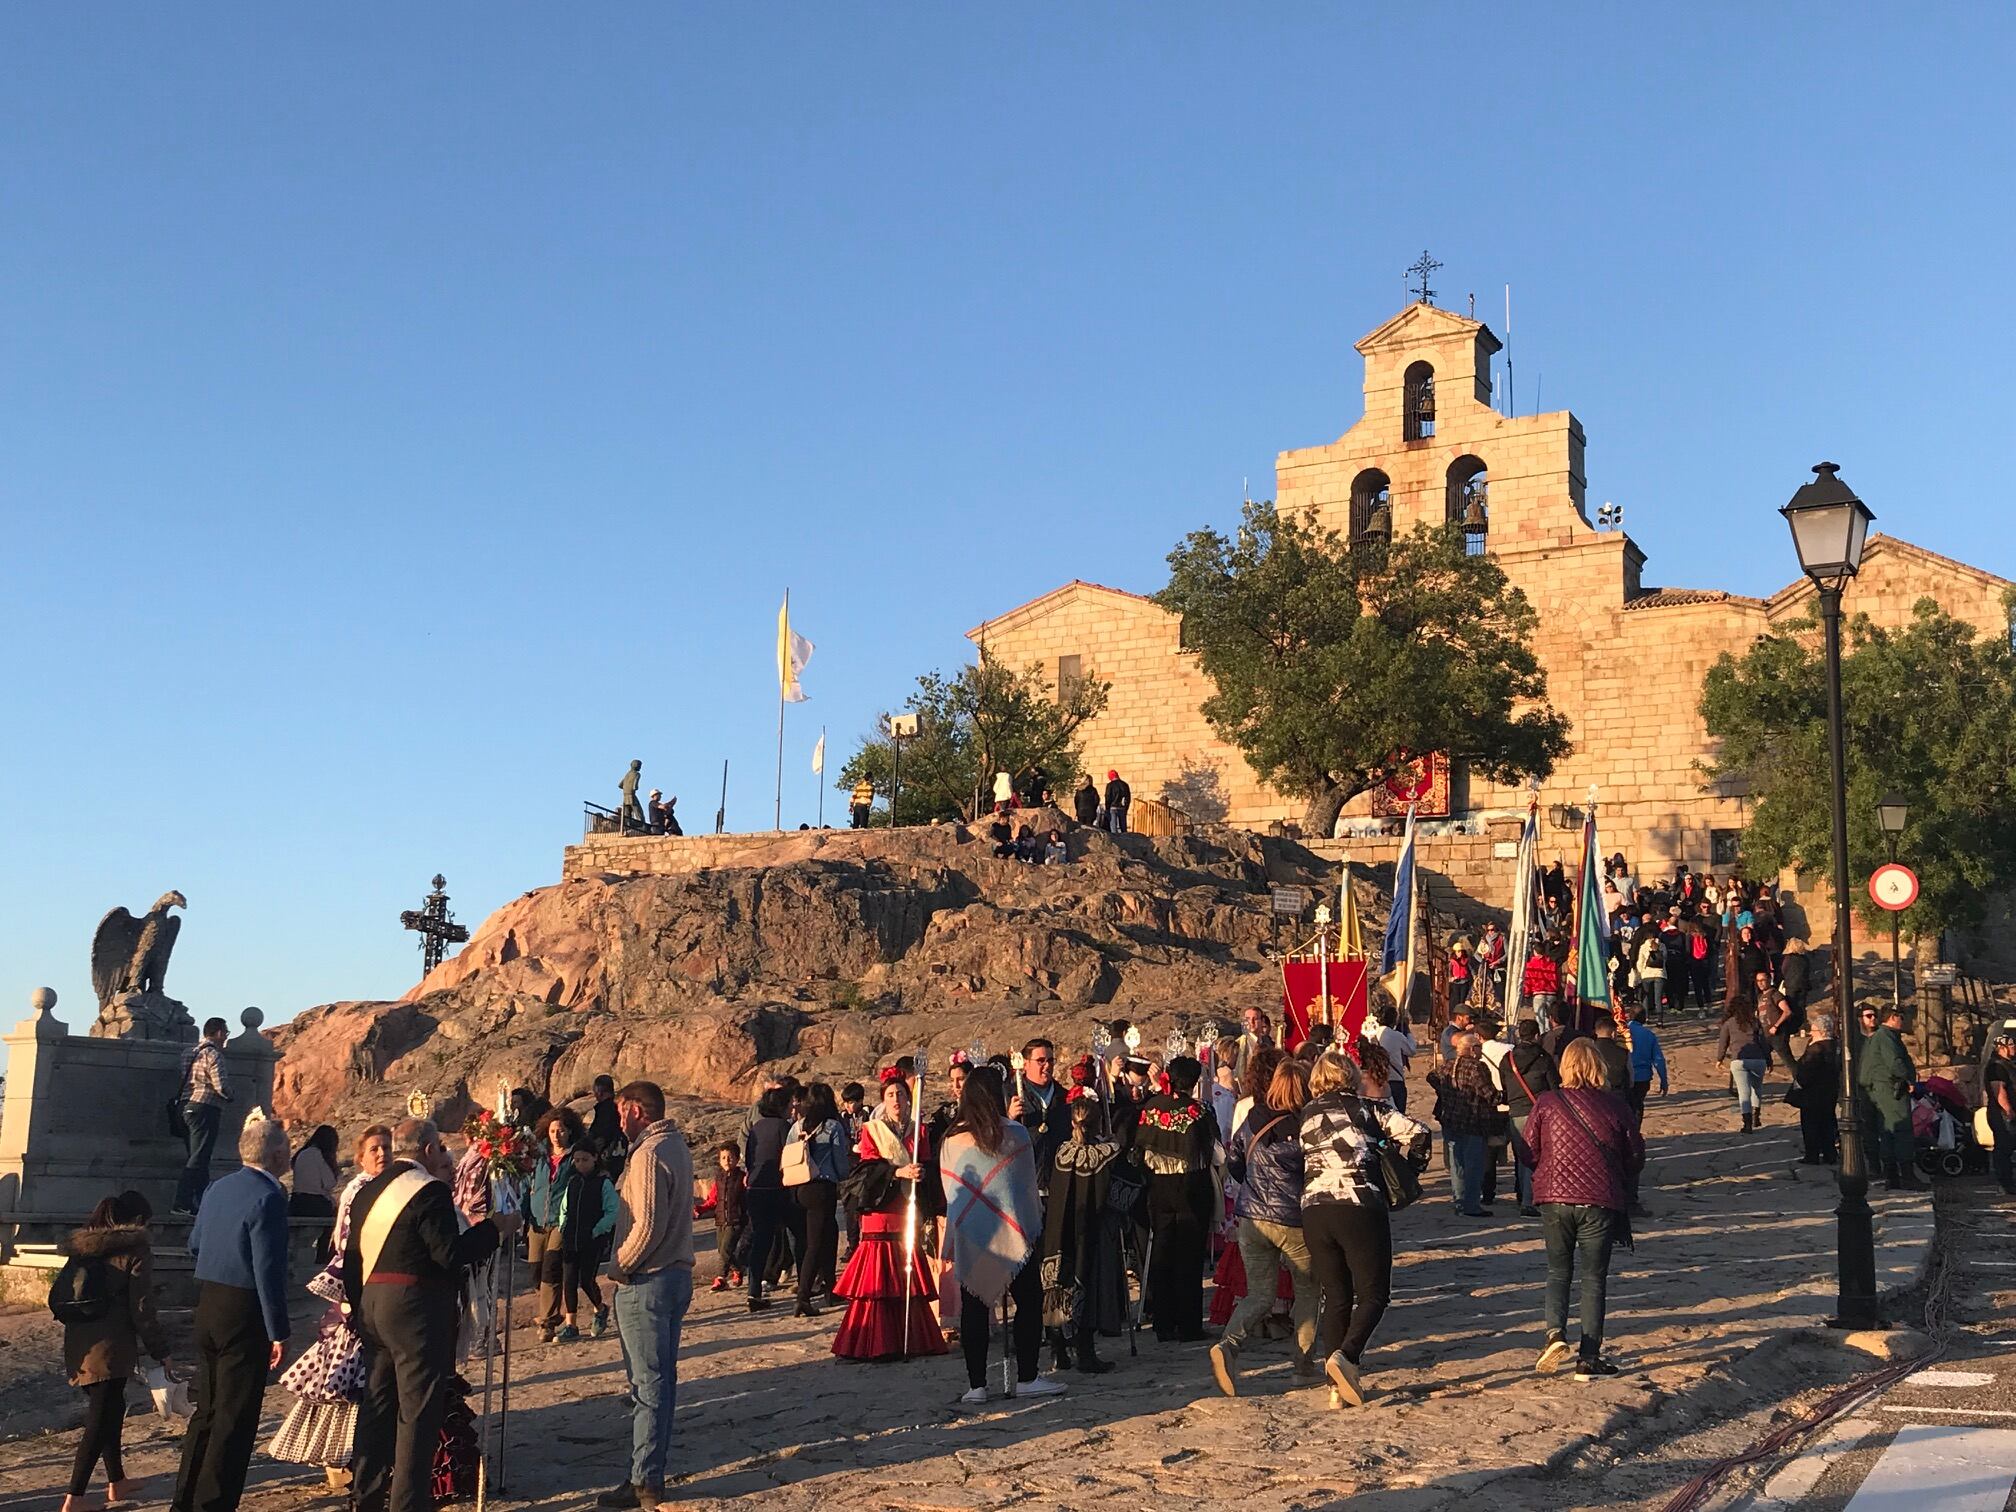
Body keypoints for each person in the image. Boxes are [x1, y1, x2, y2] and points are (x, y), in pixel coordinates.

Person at [344, 1120, 511, 1512]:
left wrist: (360, 1309)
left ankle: (364, 1498)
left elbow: (353, 1258)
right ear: (428, 1150)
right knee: (417, 1413)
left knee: (377, 1407)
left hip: (372, 1304)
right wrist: (494, 1230)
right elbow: (448, 1255)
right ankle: (407, 1503)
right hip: (415, 1308)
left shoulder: (369, 1190)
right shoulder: (429, 1189)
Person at [1298, 1048, 1431, 1408]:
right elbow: (1418, 1132)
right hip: (1359, 1203)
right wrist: (1407, 1171)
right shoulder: (1367, 1109)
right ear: (1350, 1076)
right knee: (1374, 1293)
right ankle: (1348, 1356)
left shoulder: (1306, 1115)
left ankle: (1334, 1388)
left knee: (1336, 1295)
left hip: (1314, 1208)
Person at [173, 1116, 292, 1512]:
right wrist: (279, 1330)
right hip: (244, 1309)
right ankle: (214, 1503)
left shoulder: (217, 1188)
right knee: (235, 1419)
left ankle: (185, 1500)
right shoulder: (269, 1198)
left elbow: (195, 1243)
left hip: (208, 1303)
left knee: (206, 1412)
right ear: (277, 1154)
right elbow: (267, 1269)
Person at [269, 1125, 392, 1489]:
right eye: (374, 1148)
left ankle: (358, 1457)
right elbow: (348, 1244)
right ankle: (340, 1460)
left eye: (386, 1147)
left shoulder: (384, 1188)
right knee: (346, 1379)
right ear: (360, 1156)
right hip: (356, 1296)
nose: (382, 1153)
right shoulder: (359, 1190)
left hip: (372, 1292)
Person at [1522, 1040, 1645, 1382]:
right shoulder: (1616, 1106)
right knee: (1593, 1278)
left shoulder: (1548, 1102)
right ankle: (1588, 1357)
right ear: (1599, 1067)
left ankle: (1554, 1334)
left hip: (1555, 1198)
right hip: (1599, 1199)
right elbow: (1635, 1155)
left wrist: (1548, 1168)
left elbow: (1528, 1151)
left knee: (1558, 1271)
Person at [940, 1068, 1064, 1404]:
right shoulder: (1016, 1133)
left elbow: (952, 1193)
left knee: (975, 1308)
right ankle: (1027, 1376)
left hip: (974, 1233)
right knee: (1028, 1301)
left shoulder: (951, 1140)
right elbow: (1023, 1190)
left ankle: (976, 1385)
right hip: (1014, 1232)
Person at [602, 1080, 696, 1512]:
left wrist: (619, 1266)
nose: (619, 1120)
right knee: (661, 1381)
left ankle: (644, 1478)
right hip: (675, 1276)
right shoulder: (676, 1146)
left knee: (648, 1384)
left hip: (648, 1279)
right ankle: (648, 1470)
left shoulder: (649, 1153)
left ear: (637, 1110)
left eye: (622, 1111)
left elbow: (648, 1223)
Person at [1211, 1057, 1318, 1396]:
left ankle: (1229, 1345)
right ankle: (1302, 1366)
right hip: (1293, 1219)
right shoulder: (1307, 1125)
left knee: (1259, 1293)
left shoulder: (1254, 1120)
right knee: (1308, 1291)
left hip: (1253, 1218)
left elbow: (1235, 1162)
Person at [63, 1190, 172, 1512]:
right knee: (100, 1418)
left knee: (109, 1407)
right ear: (138, 1221)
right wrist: (160, 1350)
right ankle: (75, 1497)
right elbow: (142, 1308)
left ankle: (117, 1481)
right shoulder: (134, 1250)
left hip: (79, 1343)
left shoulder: (82, 1249)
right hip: (111, 1345)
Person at [832, 1068, 946, 1360]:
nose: (897, 1099)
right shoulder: (873, 1130)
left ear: (910, 1099)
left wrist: (922, 1173)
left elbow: (930, 1166)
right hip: (882, 1209)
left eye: (901, 1094)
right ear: (884, 1100)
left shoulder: (919, 1131)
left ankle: (914, 1339)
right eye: (891, 1095)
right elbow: (867, 1171)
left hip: (908, 1210)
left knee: (905, 1274)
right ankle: (875, 1341)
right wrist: (897, 1171)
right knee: (879, 1279)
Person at [1038, 1087, 1126, 1375]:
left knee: (1059, 1284)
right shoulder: (1108, 1153)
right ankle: (1086, 1352)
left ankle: (1058, 1349)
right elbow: (1122, 1193)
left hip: (1059, 1231)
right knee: (1088, 1282)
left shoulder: (1063, 1151)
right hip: (1092, 1231)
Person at [1134, 1055, 1215, 1341]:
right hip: (1191, 1185)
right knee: (1190, 1257)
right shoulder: (1198, 1111)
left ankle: (1163, 1322)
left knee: (1163, 1252)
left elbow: (1140, 1148)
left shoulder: (1151, 1108)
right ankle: (1189, 1325)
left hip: (1159, 1186)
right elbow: (1213, 1151)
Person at [742, 1087, 806, 1312]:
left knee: (761, 1241)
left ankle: (753, 1292)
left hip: (756, 1188)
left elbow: (749, 1161)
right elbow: (790, 1156)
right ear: (781, 1106)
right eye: (789, 1103)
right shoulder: (783, 1126)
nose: (792, 1107)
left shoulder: (756, 1128)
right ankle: (803, 1284)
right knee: (798, 1234)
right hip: (779, 1188)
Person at [791, 1082, 852, 1315]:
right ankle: (803, 1296)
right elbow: (840, 1162)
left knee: (829, 1232)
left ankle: (830, 1289)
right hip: (821, 1188)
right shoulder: (831, 1126)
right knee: (816, 1244)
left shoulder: (797, 1126)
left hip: (799, 1187)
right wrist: (844, 1174)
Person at [528, 1106, 587, 1342]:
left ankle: (547, 1322)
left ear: (569, 1132)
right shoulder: (539, 1156)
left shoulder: (575, 1158)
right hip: (536, 1220)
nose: (556, 1135)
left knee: (551, 1267)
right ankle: (549, 1310)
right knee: (535, 1271)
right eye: (553, 1130)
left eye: (561, 1130)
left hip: (561, 1220)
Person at [1433, 1033, 1499, 1217]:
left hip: (1450, 1119)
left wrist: (1445, 1092)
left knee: (1457, 1164)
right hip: (1472, 1120)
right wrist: (1502, 1097)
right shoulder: (1477, 1067)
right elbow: (1489, 1093)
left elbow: (1432, 1077)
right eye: (1478, 1046)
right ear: (1472, 1049)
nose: (1481, 1050)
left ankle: (1459, 1201)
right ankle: (1471, 1205)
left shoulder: (1447, 1066)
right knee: (1474, 1165)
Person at [172, 1017, 233, 1215]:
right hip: (205, 1107)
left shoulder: (188, 1053)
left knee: (198, 1157)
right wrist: (231, 1096)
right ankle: (181, 1202)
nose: (225, 1037)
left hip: (184, 1107)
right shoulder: (213, 1055)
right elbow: (220, 1086)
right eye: (225, 1033)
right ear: (218, 1033)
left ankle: (204, 1202)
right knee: (199, 1158)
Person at [556, 1144, 617, 1340]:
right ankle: (570, 1325)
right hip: (570, 1238)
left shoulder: (603, 1183)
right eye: (577, 1160)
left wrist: (596, 1231)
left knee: (586, 1280)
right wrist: (563, 1226)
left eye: (584, 1159)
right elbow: (564, 1207)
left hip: (592, 1240)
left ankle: (600, 1309)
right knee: (569, 1280)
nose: (580, 1164)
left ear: (595, 1158)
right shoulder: (573, 1181)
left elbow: (612, 1211)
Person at [1860, 1006, 1922, 1190]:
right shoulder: (1887, 1037)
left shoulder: (1878, 1037)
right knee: (1901, 1129)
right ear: (1893, 1017)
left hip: (1879, 1090)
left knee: (1887, 1131)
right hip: (1890, 1090)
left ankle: (1892, 1175)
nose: (1903, 1021)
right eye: (1901, 1016)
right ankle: (1907, 1175)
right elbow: (1894, 1062)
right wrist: (1907, 1079)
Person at [1502, 1021, 1560, 1218]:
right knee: (1536, 1158)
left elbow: (1504, 1085)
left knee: (1521, 1157)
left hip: (1515, 1111)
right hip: (1538, 1111)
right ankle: (1530, 1201)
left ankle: (1522, 1195)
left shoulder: (1507, 1058)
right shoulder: (1543, 1059)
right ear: (1536, 1036)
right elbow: (1554, 1088)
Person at [1010, 1038, 1070, 1180]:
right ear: (1025, 1064)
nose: (1047, 1065)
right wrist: (1009, 1117)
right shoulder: (1010, 1094)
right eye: (1040, 1061)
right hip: (1025, 1177)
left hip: (1057, 1178)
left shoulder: (1064, 1096)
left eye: (1050, 1060)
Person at [695, 1143, 747, 1292]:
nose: (727, 1160)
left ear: (737, 1159)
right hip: (720, 1220)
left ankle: (720, 1278)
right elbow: (712, 1200)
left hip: (736, 1219)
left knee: (725, 1250)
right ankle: (737, 1270)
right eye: (723, 1157)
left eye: (730, 1157)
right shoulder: (719, 1179)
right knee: (723, 1251)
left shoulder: (742, 1178)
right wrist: (700, 1208)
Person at [1792, 1014, 1842, 1165]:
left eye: (1813, 1030)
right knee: (1827, 1123)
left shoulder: (1816, 1048)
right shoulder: (1835, 1046)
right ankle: (1829, 1153)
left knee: (1811, 1124)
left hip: (1812, 1093)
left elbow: (1807, 1070)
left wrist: (1799, 1083)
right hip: (1829, 1091)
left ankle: (1812, 1154)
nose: (1811, 1033)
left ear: (1820, 1031)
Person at [1715, 999, 1771, 1133]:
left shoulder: (1729, 1023)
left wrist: (1719, 1059)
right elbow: (1763, 1042)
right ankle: (1756, 1117)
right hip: (1758, 1059)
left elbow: (1723, 1042)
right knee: (1757, 1088)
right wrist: (1769, 1060)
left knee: (1743, 1092)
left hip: (1739, 1060)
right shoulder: (1755, 1021)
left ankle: (1747, 1124)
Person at [1982, 1031, 2016, 1195]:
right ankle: (2005, 1183)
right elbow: (1999, 1090)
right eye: (2010, 1045)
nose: (2014, 1047)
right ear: (2001, 1048)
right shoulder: (1996, 1066)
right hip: (2001, 1114)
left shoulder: (2009, 1064)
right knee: (2004, 1147)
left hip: (2007, 1113)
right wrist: (2008, 1110)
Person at [1363, 1014, 1415, 1112]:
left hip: (1375, 1083)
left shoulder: (1369, 1036)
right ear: (1394, 1021)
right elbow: (1411, 1050)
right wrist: (1408, 1033)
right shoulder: (1396, 1036)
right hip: (1395, 1080)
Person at [588, 1075, 630, 1183]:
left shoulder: (604, 1111)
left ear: (598, 1091)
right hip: (618, 1156)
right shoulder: (619, 1108)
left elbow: (601, 1136)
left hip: (605, 1159)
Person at [1102, 769, 1131, 833]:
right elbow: (1128, 797)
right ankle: (1126, 840)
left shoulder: (1110, 785)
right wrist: (1126, 807)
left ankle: (1115, 841)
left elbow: (1108, 797)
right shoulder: (1125, 785)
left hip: (1112, 808)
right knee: (1123, 827)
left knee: (1113, 827)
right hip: (1122, 807)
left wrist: (1107, 808)